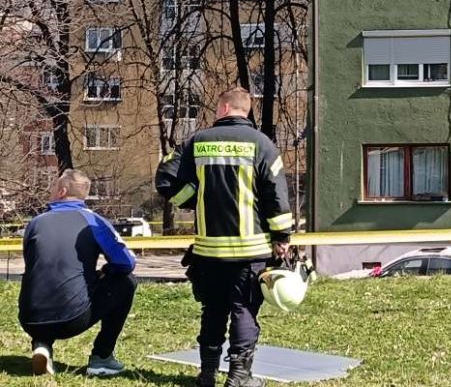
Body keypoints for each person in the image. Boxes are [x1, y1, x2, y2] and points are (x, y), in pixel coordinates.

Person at [163, 87, 294, 387]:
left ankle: (207, 374)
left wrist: (193, 200)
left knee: (212, 310)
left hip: (208, 251)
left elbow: (166, 178)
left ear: (223, 108)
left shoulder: (197, 142)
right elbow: (276, 196)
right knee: (243, 310)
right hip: (251, 251)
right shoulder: (262, 144)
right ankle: (239, 376)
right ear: (245, 110)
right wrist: (282, 237)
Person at [18, 169, 137, 377]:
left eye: (54, 187)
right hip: (73, 319)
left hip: (30, 319)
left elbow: (34, 265)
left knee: (44, 282)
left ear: (62, 191)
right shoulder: (94, 222)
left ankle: (42, 345)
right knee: (127, 282)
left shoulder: (35, 223)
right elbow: (127, 263)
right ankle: (102, 357)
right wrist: (105, 272)